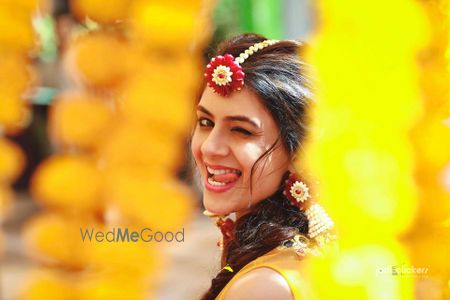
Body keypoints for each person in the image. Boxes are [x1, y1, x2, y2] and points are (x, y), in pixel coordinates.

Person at [191, 33, 336, 300]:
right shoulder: (294, 262)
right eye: (206, 122)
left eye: (241, 131)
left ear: (300, 152)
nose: (210, 147)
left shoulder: (265, 286)